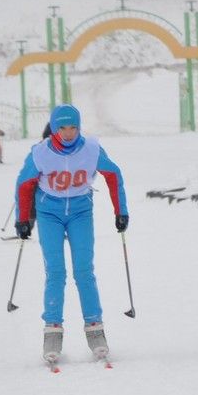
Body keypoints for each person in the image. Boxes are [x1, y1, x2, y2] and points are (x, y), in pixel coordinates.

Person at [15, 104, 129, 363]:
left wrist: (120, 210)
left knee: (84, 271)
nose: (68, 133)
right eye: (63, 128)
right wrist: (23, 219)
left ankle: (95, 329)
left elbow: (113, 175)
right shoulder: (40, 153)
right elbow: (24, 184)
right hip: (49, 214)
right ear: (54, 128)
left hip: (80, 212)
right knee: (55, 271)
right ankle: (52, 331)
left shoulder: (91, 149)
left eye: (73, 127)